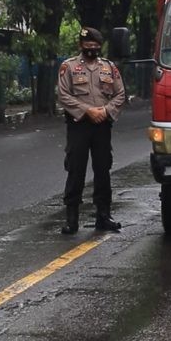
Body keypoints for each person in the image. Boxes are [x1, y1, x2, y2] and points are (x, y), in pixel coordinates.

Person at [56, 27, 126, 234]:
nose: (92, 50)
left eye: (95, 47)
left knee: (103, 169)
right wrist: (87, 111)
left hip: (102, 125)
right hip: (79, 125)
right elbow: (63, 95)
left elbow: (120, 93)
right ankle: (72, 218)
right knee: (76, 169)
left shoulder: (109, 68)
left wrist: (105, 111)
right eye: (88, 46)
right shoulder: (69, 67)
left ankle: (103, 216)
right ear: (80, 46)